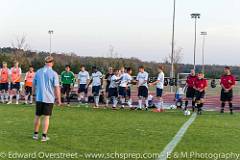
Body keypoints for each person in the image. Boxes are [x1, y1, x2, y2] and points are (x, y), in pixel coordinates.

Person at [32, 56, 61, 142]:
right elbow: (56, 87)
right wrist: (58, 99)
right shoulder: (54, 73)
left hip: (39, 98)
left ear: (45, 62)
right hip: (49, 98)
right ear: (52, 63)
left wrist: (33, 94)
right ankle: (44, 136)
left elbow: (33, 84)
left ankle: (35, 135)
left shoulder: (38, 71)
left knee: (37, 116)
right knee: (46, 117)